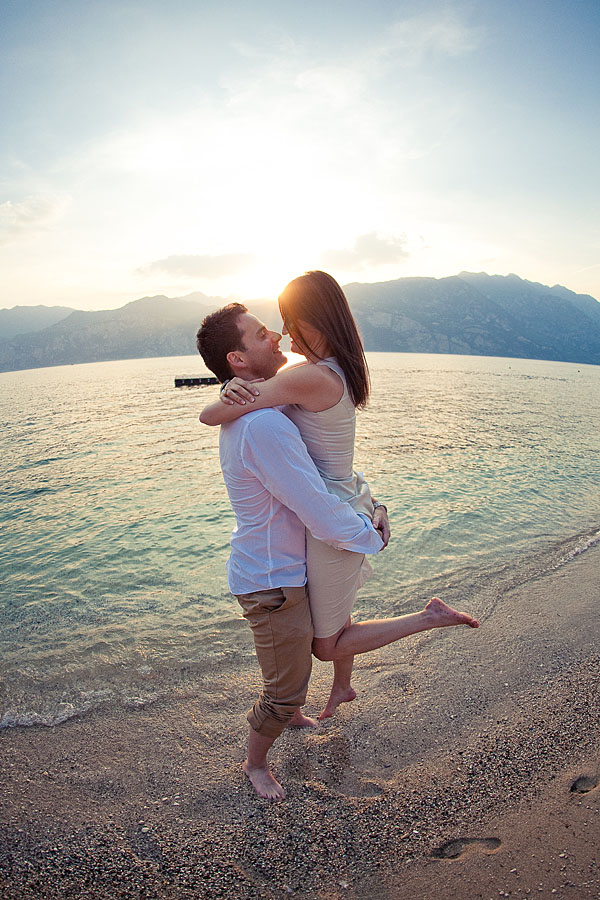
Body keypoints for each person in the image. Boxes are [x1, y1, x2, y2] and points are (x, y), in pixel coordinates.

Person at [200, 273, 480, 721]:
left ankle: (428, 617)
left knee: (325, 645)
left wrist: (226, 393)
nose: (284, 333)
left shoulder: (308, 377)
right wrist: (375, 506)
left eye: (291, 322)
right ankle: (344, 688)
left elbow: (212, 416)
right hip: (350, 495)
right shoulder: (330, 370)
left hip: (337, 516)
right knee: (337, 614)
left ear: (316, 322)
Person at [196, 303, 385, 801]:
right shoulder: (264, 427)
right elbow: (316, 509)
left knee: (296, 663)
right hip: (272, 579)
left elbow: (232, 410)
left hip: (278, 571)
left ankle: (294, 713)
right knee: (282, 690)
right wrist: (372, 536)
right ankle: (255, 763)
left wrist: (225, 394)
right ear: (238, 358)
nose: (277, 335)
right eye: (262, 334)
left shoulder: (263, 408)